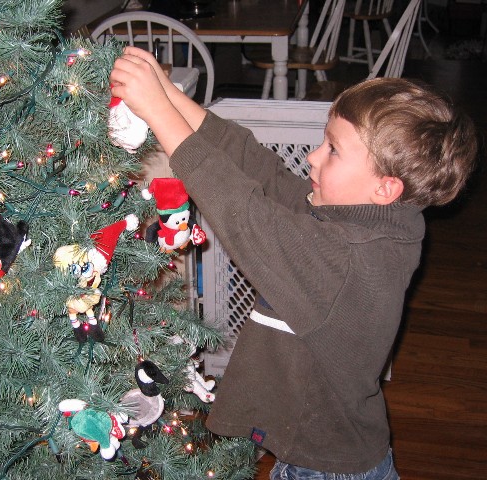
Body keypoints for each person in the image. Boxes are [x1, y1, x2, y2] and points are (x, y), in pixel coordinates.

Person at [110, 46, 478, 479]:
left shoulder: (344, 258)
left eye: (333, 150)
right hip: (324, 451)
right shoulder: (370, 221)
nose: (313, 157)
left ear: (385, 187)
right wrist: (170, 95)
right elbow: (264, 175)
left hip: (324, 467)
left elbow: (244, 213)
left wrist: (157, 111)